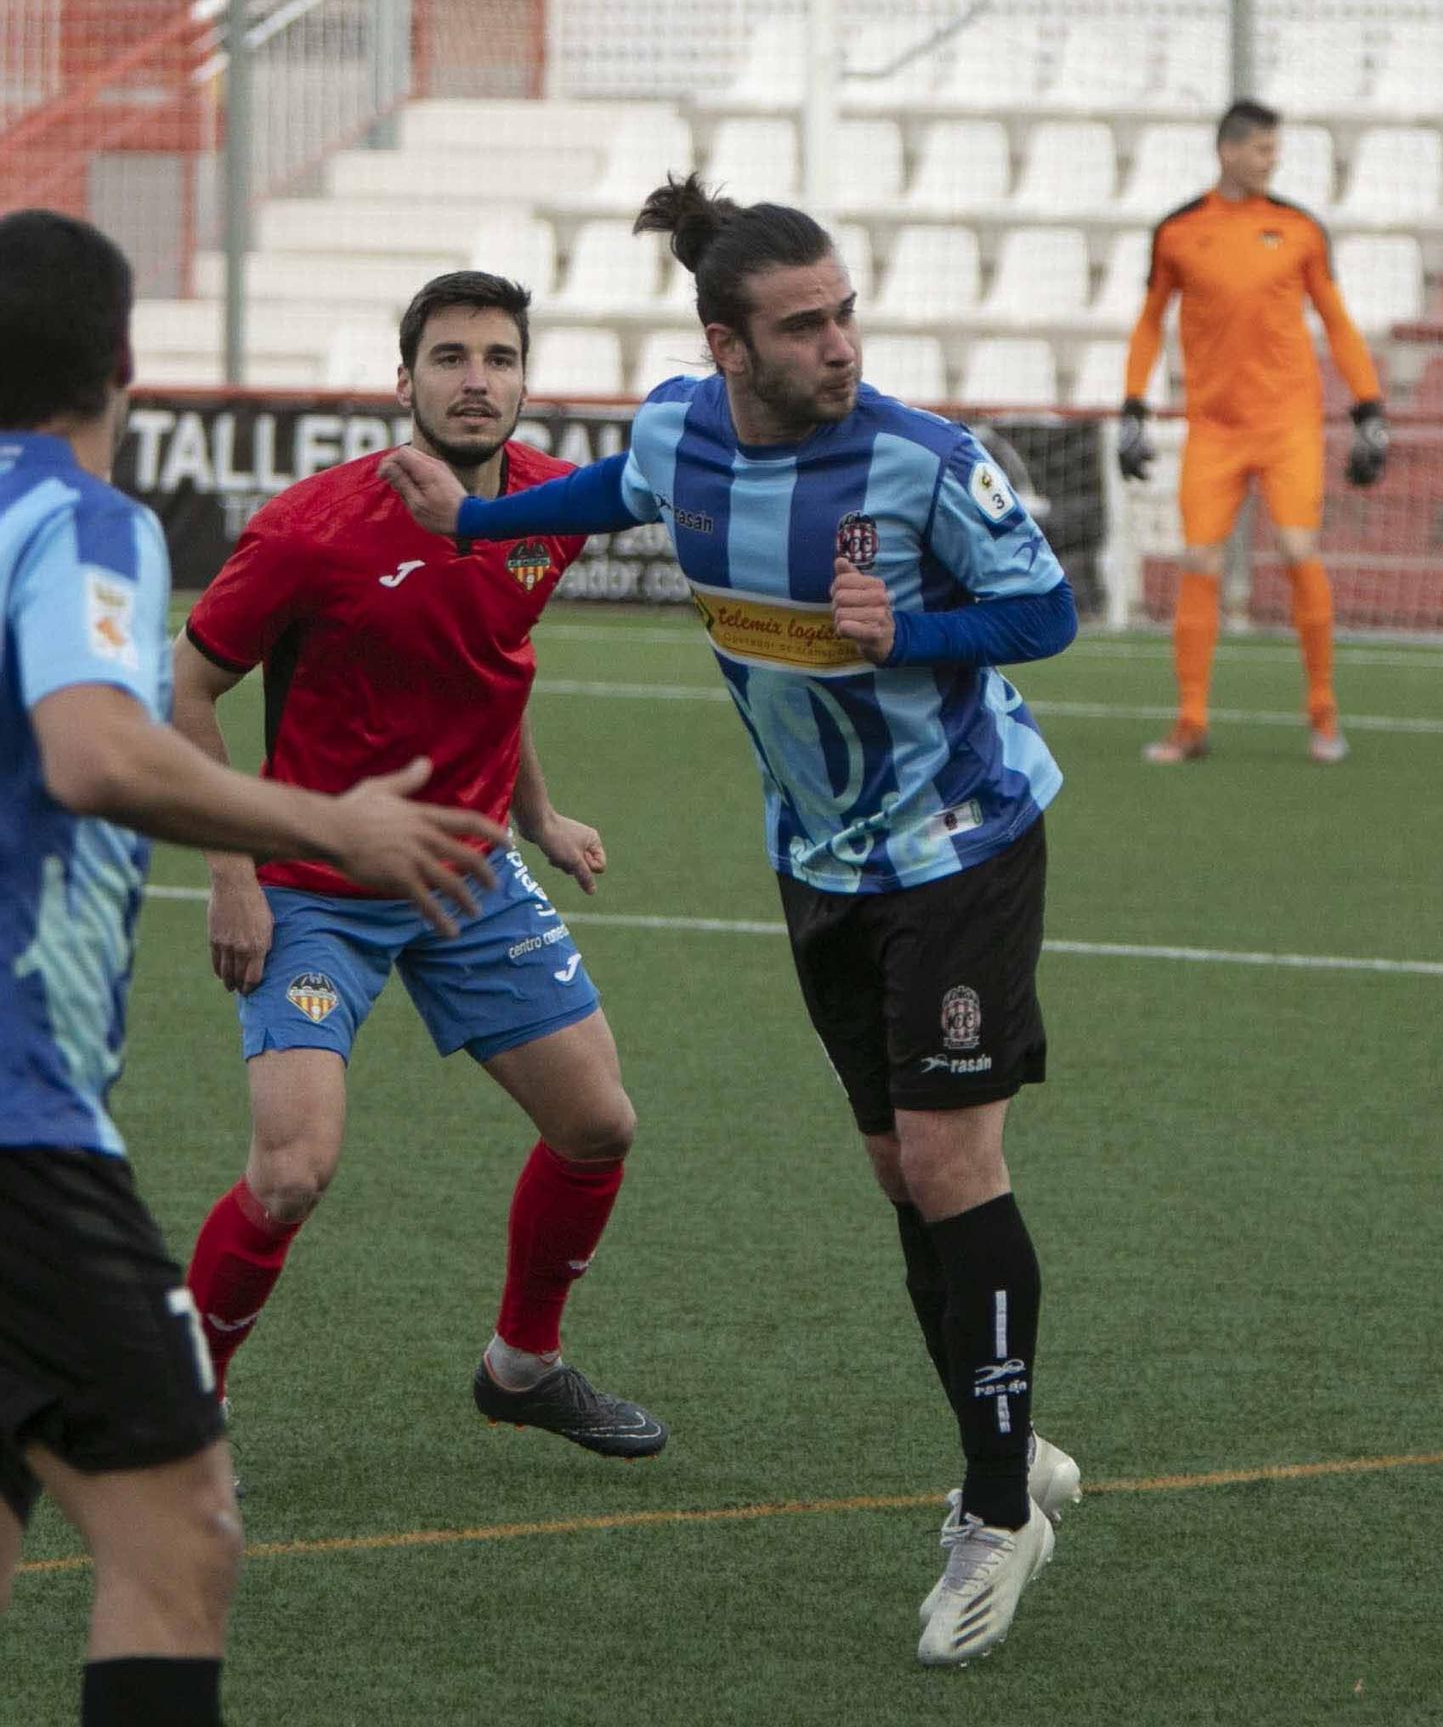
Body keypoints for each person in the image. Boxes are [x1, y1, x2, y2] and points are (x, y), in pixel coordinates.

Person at [381, 178, 1083, 1668]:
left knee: (955, 1160)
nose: (840, 345)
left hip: (959, 838)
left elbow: (1044, 612)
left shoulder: (924, 464)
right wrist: (485, 518)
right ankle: (1002, 1436)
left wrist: (915, 633)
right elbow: (612, 494)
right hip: (817, 857)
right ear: (726, 346)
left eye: (845, 315)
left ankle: (992, 1502)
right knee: (901, 1168)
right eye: (804, 325)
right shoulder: (674, 432)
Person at [0, 211, 504, 1727]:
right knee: (180, 1542)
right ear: (125, 363)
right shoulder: (77, 518)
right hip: (20, 1135)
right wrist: (318, 826)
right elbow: (94, 754)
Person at [175, 271, 666, 1468]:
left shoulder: (551, 502)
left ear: (524, 381)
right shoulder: (310, 528)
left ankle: (523, 1365)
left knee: (598, 1123)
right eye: (448, 358)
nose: (475, 380)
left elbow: (495, 657)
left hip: (465, 872)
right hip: (312, 884)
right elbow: (184, 690)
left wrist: (538, 815)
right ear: (404, 383)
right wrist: (233, 871)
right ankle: (184, 1401)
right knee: (292, 1169)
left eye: (498, 358)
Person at [1119, 97, 1390, 765]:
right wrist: (1132, 405)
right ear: (1229, 151)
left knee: (1300, 551)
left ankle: (1323, 713)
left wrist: (1369, 407)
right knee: (1198, 562)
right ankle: (1190, 722)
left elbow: (1336, 318)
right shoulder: (1179, 231)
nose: (1274, 161)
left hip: (1287, 423)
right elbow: (1151, 320)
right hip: (1213, 427)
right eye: (1264, 149)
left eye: (1275, 150)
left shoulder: (1297, 228)